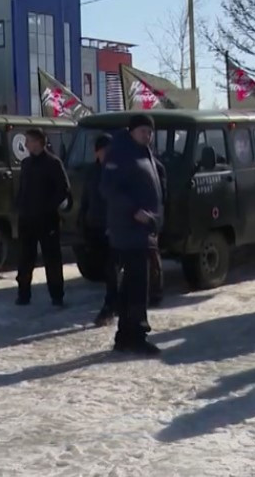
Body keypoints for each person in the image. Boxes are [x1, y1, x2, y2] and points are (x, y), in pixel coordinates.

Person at [101, 114, 164, 356]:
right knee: (137, 284)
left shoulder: (143, 151)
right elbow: (108, 188)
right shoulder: (120, 153)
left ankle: (125, 335)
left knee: (132, 284)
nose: (147, 136)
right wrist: (133, 210)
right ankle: (136, 334)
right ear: (131, 131)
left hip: (143, 228)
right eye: (142, 131)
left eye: (149, 132)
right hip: (128, 229)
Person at [16, 128, 71, 307]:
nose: (26, 145)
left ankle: (57, 295)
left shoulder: (53, 163)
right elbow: (22, 190)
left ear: (39, 141)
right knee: (25, 257)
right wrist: (20, 208)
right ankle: (23, 294)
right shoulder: (26, 164)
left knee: (52, 259)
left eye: (29, 141)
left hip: (47, 220)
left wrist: (48, 208)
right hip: (27, 219)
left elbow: (63, 190)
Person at [81, 134, 119, 327]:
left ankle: (110, 307)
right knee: (104, 268)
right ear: (97, 152)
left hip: (114, 226)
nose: (108, 154)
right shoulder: (91, 172)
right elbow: (86, 199)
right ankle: (114, 301)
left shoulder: (117, 171)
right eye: (105, 151)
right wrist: (83, 222)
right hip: (95, 225)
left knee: (113, 269)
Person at [148, 159, 167, 308]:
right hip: (142, 217)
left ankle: (156, 293)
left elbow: (162, 195)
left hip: (152, 217)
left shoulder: (156, 167)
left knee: (153, 256)